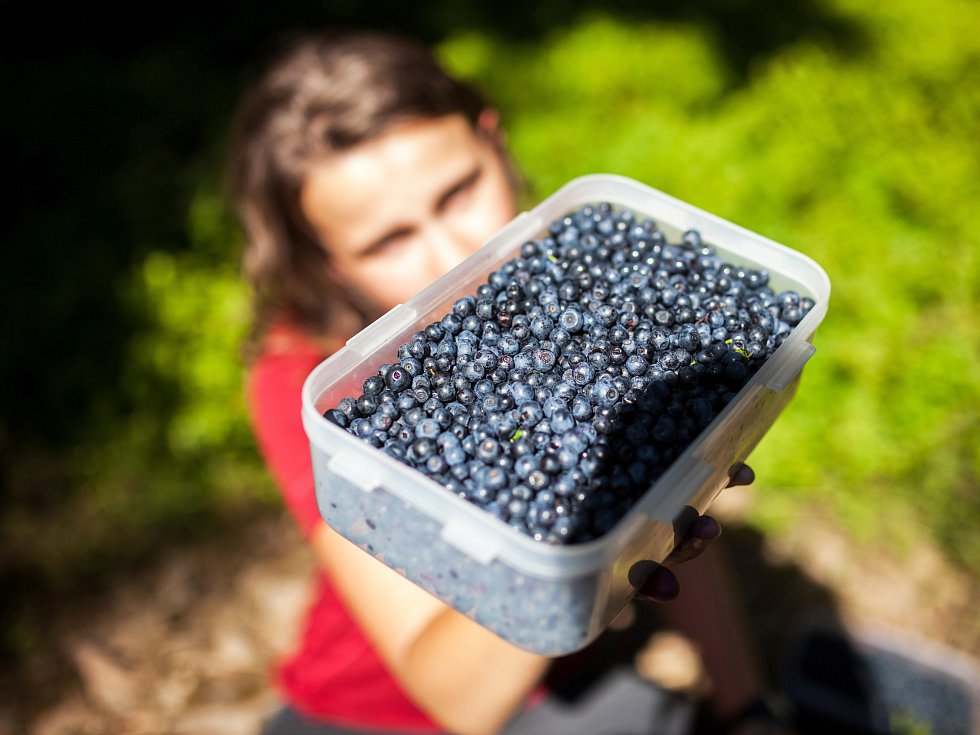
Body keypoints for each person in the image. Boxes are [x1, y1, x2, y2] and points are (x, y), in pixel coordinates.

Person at [226, 29, 789, 735]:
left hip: (563, 663)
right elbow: (461, 703)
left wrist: (748, 709)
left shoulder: (562, 281)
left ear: (493, 140)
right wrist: (605, 523)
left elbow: (669, 498)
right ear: (330, 261)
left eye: (459, 191)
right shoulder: (309, 382)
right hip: (390, 711)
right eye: (387, 240)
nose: (452, 252)